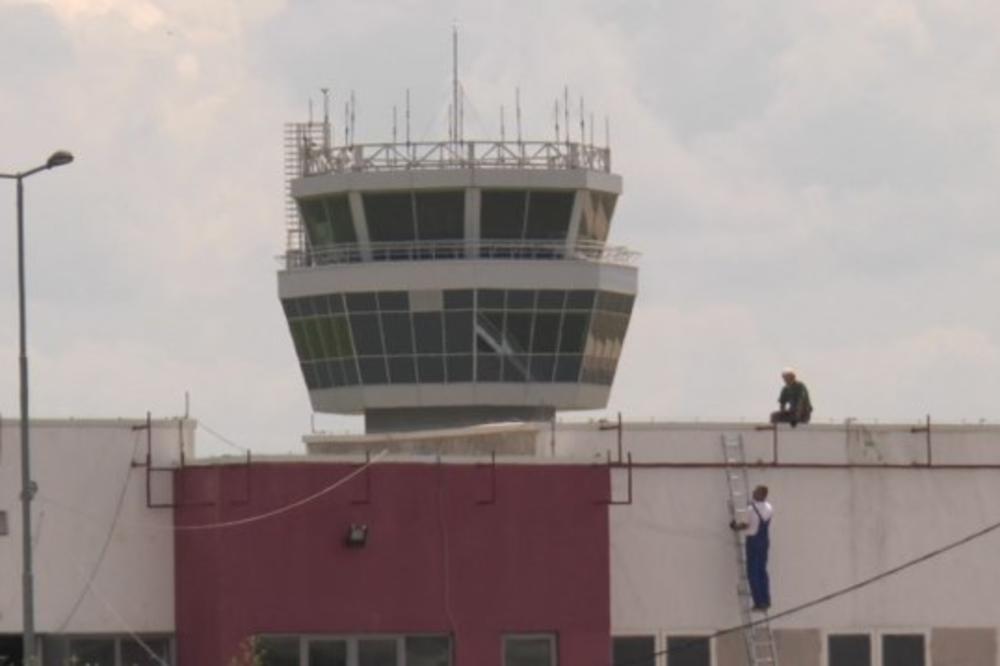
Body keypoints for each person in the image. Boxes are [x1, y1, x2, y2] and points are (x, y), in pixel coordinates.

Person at [730, 485, 773, 611]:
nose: (753, 492)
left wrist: (734, 526)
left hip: (753, 542)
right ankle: (766, 601)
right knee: (762, 571)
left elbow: (744, 525)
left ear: (760, 494)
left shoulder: (750, 509)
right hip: (764, 541)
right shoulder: (769, 507)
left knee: (752, 573)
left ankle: (758, 602)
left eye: (756, 491)